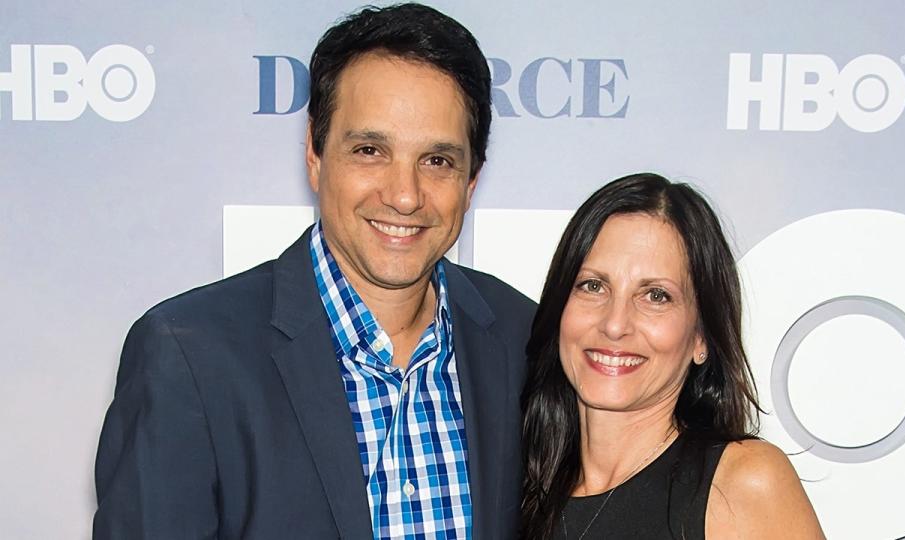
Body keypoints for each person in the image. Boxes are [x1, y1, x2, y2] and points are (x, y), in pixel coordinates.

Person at [93, 4, 535, 539]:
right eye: (370, 150)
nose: (404, 194)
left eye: (437, 160)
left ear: (471, 180)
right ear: (315, 155)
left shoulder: (524, 338)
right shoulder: (187, 358)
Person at [520, 173, 824, 539]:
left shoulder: (740, 483)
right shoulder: (514, 495)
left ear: (701, 337)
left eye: (656, 296)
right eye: (593, 286)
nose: (615, 324)